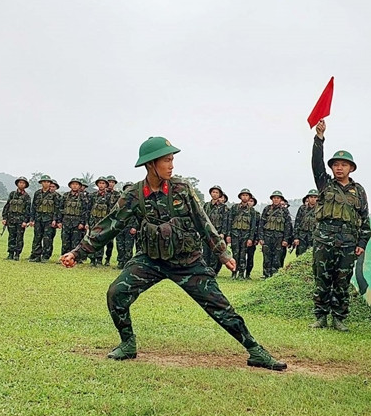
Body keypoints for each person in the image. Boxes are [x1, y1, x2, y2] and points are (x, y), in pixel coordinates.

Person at [60, 136, 286, 370]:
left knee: (220, 307)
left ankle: (255, 350)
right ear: (151, 164)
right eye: (166, 160)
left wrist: (223, 253)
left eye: (172, 160)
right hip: (150, 260)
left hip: (187, 261)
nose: (171, 165)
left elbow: (202, 221)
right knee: (116, 293)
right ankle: (127, 344)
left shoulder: (181, 189)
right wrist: (77, 252)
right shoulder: (134, 195)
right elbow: (110, 225)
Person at [310, 119, 371, 331]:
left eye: (343, 165)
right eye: (336, 164)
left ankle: (339, 318)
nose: (339, 168)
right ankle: (320, 316)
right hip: (324, 239)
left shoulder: (359, 191)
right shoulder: (325, 184)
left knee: (342, 281)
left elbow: (364, 218)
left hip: (347, 242)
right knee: (322, 278)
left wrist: (362, 242)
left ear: (351, 168)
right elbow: (316, 163)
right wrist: (319, 138)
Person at [258, 191, 292, 278]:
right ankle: (266, 274)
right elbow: (261, 224)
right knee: (266, 257)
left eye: (278, 198)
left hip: (279, 238)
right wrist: (261, 237)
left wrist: (286, 239)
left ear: (281, 200)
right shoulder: (267, 209)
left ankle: (275, 275)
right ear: (272, 199)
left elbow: (288, 226)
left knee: (278, 257)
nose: (276, 200)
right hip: (267, 236)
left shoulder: (285, 211)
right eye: (274, 198)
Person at [28, 174, 59, 262]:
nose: (46, 183)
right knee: (37, 237)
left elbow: (57, 209)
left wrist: (55, 220)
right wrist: (32, 219)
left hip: (49, 219)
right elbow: (33, 207)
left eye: (48, 182)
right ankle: (36, 255)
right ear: (41, 183)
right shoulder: (37, 193)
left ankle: (45, 256)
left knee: (47, 238)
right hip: (38, 218)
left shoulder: (54, 195)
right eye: (44, 182)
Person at [226, 189, 257, 279]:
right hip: (235, 234)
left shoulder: (252, 211)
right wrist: (228, 235)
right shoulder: (234, 208)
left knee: (243, 255)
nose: (245, 197)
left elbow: (253, 226)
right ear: (240, 197)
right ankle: (234, 272)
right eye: (243, 195)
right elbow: (229, 222)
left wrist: (251, 238)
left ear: (249, 197)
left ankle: (241, 274)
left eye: (247, 195)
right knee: (235, 254)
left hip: (246, 235)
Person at [57, 177, 90, 257]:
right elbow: (60, 209)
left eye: (76, 184)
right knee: (65, 240)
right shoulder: (65, 196)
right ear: (70, 186)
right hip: (66, 221)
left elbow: (85, 211)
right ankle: (64, 257)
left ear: (79, 186)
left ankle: (74, 258)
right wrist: (59, 221)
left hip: (77, 222)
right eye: (73, 184)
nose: (75, 186)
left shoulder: (83, 197)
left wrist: (82, 222)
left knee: (76, 241)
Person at [2, 176, 32, 260]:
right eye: (20, 182)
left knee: (19, 238)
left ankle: (17, 254)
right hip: (11, 219)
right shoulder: (12, 194)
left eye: (23, 183)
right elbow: (7, 206)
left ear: (25, 185)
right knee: (11, 237)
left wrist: (25, 221)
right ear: (17, 184)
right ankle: (10, 254)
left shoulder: (27, 197)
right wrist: (4, 218)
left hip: (20, 220)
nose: (21, 184)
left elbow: (28, 210)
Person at [203, 185, 230, 275]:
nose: (214, 194)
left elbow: (226, 221)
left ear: (220, 195)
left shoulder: (224, 207)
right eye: (213, 192)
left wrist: (223, 233)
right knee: (205, 253)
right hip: (206, 233)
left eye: (217, 192)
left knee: (215, 254)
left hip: (217, 234)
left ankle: (213, 271)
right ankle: (205, 270)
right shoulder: (206, 205)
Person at [88, 176, 112, 266]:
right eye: (100, 183)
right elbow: (88, 209)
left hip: (103, 223)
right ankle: (92, 259)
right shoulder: (92, 196)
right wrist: (87, 222)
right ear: (97, 184)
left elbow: (111, 210)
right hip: (93, 221)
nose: (101, 185)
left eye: (103, 183)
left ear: (106, 185)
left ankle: (99, 259)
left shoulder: (109, 196)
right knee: (92, 240)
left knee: (100, 240)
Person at [114, 182, 138, 268]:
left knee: (128, 246)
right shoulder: (120, 201)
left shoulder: (136, 202)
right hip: (120, 227)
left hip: (130, 227)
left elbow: (137, 216)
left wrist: (134, 227)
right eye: (126, 189)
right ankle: (120, 262)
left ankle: (127, 263)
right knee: (119, 245)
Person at [102, 175, 122, 266]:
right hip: (101, 219)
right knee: (99, 239)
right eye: (109, 182)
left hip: (112, 221)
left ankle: (107, 259)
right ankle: (97, 259)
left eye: (113, 182)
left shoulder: (118, 195)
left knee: (110, 242)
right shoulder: (101, 194)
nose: (111, 184)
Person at [293, 189, 319, 256]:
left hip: (315, 237)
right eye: (311, 197)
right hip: (302, 237)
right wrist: (295, 237)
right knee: (300, 256)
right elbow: (297, 223)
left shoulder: (320, 209)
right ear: (308, 198)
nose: (313, 199)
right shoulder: (302, 208)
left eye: (315, 197)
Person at [245, 196, 260, 279]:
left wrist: (256, 239)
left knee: (250, 257)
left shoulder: (257, 214)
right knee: (240, 257)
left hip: (252, 239)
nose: (250, 202)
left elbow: (258, 227)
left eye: (251, 201)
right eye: (249, 201)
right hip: (241, 238)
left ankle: (248, 273)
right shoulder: (240, 211)